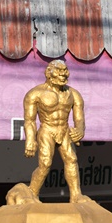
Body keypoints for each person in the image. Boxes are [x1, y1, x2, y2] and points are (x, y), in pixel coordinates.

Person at [23, 59, 87, 202]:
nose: (63, 75)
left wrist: (80, 130)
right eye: (59, 72)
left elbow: (79, 118)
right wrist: (30, 140)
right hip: (47, 129)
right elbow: (29, 120)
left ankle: (76, 195)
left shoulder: (73, 94)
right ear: (49, 73)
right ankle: (32, 192)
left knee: (72, 159)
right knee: (45, 163)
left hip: (64, 129)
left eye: (65, 71)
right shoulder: (35, 94)